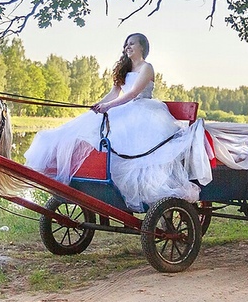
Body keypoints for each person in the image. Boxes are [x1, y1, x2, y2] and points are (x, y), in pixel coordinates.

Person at [24, 33, 205, 211]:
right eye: (126, 44)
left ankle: (141, 192)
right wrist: (100, 104)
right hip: (123, 107)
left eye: (132, 43)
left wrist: (109, 106)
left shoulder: (146, 67)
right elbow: (114, 93)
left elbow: (133, 93)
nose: (127, 47)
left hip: (143, 112)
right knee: (89, 129)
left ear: (143, 47)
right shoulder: (124, 69)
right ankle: (92, 178)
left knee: (128, 144)